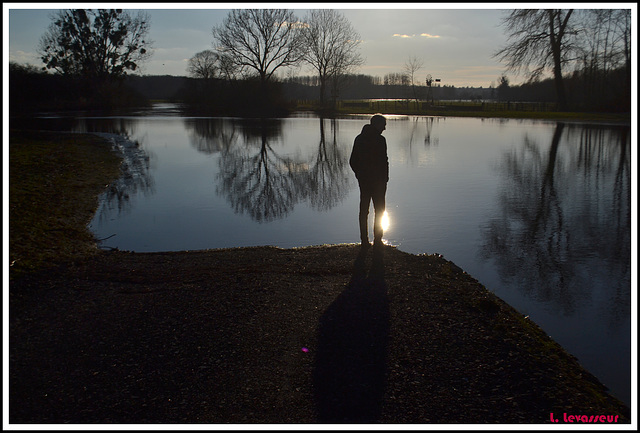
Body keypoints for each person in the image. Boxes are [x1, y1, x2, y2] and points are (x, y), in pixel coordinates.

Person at [349, 114, 389, 251]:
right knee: (379, 210)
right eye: (383, 125)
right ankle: (377, 240)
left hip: (368, 181)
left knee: (364, 211)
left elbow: (353, 161)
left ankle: (365, 241)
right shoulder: (380, 140)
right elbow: (384, 161)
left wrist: (359, 174)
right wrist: (384, 178)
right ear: (377, 125)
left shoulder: (359, 139)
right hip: (376, 182)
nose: (385, 128)